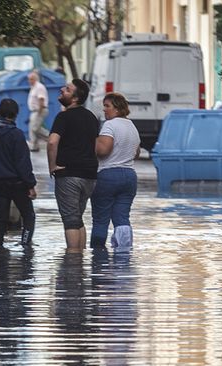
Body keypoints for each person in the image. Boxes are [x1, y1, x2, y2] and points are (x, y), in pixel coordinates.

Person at [48, 77, 100, 251]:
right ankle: (81, 261)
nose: (63, 90)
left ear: (75, 98)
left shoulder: (63, 117)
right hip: (90, 176)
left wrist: (52, 166)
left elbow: (52, 142)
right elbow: (95, 145)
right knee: (78, 218)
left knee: (70, 220)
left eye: (68, 89)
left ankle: (72, 262)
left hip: (69, 174)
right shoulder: (92, 117)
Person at [0, 97, 37, 246]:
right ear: (15, 114)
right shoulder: (16, 135)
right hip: (18, 183)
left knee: (1, 219)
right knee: (28, 216)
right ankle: (26, 245)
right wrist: (30, 184)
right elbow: (23, 162)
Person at [90, 92, 140, 251]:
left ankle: (98, 259)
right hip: (130, 176)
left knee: (100, 220)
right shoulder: (132, 126)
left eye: (107, 106)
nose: (104, 110)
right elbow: (136, 153)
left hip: (108, 175)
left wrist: (93, 141)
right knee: (122, 218)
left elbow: (103, 150)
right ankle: (124, 258)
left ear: (117, 109)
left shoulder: (110, 125)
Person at [27, 71, 49, 150]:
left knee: (35, 128)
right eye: (29, 79)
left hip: (39, 110)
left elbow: (41, 100)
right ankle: (34, 146)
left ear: (36, 79)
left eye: (31, 79)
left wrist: (39, 112)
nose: (29, 81)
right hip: (34, 111)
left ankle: (49, 137)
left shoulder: (39, 87)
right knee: (32, 129)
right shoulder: (33, 87)